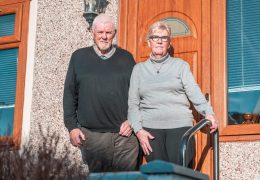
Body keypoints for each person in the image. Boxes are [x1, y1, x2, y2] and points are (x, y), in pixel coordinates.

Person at [128, 21, 218, 166]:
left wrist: (208, 113)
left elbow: (194, 93)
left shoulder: (180, 66)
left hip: (180, 127)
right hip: (150, 131)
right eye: (155, 37)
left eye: (164, 38)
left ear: (169, 43)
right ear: (149, 42)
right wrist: (138, 131)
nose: (159, 41)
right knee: (160, 175)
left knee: (182, 174)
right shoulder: (138, 70)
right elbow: (133, 104)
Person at [63, 14, 138, 172]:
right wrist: (72, 127)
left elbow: (139, 94)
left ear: (114, 33)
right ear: (93, 32)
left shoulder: (127, 58)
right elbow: (69, 94)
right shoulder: (78, 57)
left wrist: (133, 120)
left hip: (125, 136)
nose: (104, 36)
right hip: (92, 137)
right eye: (100, 32)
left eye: (108, 32)